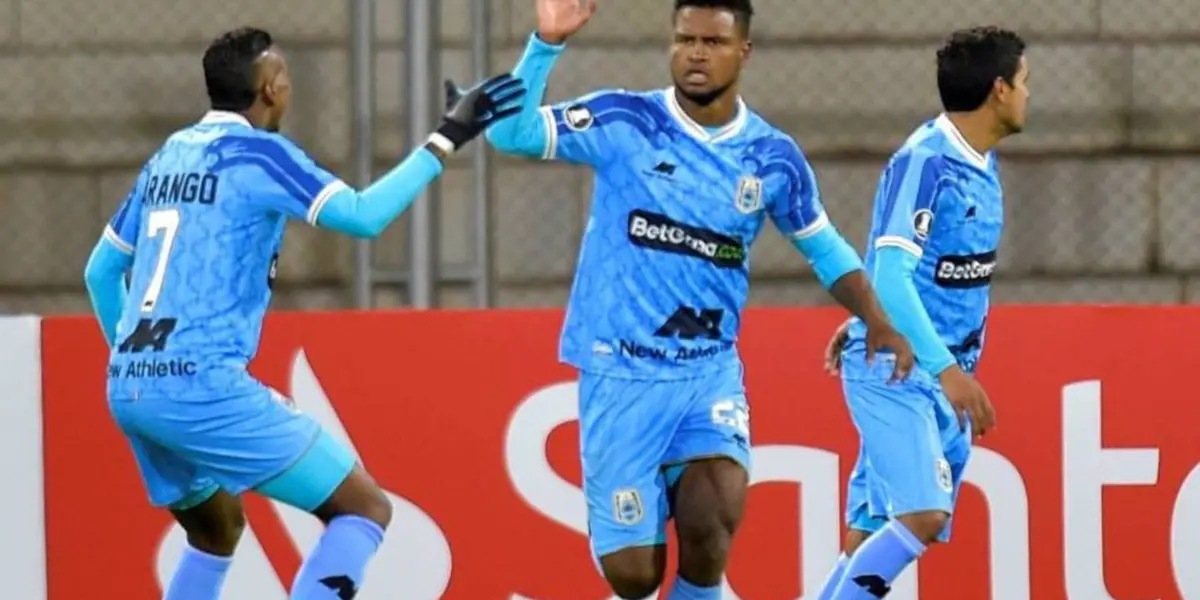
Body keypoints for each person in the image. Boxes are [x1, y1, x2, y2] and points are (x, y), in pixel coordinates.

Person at [481, 1, 914, 598]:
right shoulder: (627, 121)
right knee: (635, 576)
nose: (696, 54)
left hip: (706, 373)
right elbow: (509, 133)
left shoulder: (771, 157)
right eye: (685, 40)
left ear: (744, 52)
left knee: (713, 519)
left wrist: (878, 321)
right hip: (620, 373)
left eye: (713, 42)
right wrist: (545, 43)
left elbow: (824, 248)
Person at [82, 26, 524, 600]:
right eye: (285, 75)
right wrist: (448, 137)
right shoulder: (260, 155)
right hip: (202, 384)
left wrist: (136, 360)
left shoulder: (170, 156)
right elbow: (363, 215)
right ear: (270, 88)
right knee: (362, 507)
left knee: (216, 531)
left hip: (130, 385)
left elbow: (100, 272)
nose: (289, 87)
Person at [813, 25, 1026, 600]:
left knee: (868, 533)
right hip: (905, 372)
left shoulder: (979, 162)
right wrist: (947, 371)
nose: (1030, 94)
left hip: (921, 366)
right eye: (1025, 81)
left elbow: (921, 270)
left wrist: (865, 318)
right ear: (1000, 89)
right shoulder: (925, 162)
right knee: (922, 515)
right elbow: (889, 271)